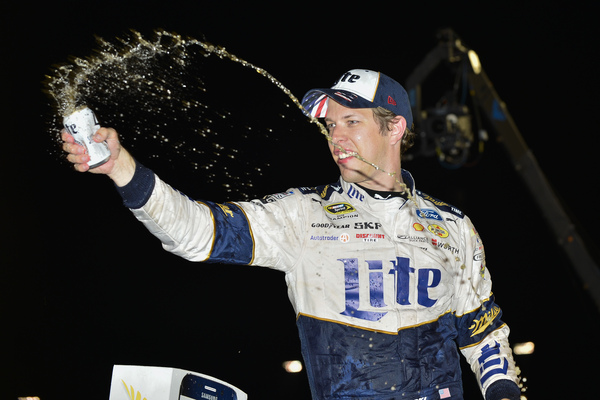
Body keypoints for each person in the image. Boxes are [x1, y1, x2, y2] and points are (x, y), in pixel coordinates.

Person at [61, 69, 521, 400]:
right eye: (331, 125)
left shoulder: (453, 226)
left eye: (352, 122)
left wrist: (503, 392)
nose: (336, 137)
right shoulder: (304, 214)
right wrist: (121, 168)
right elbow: (196, 232)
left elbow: (483, 334)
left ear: (395, 127)